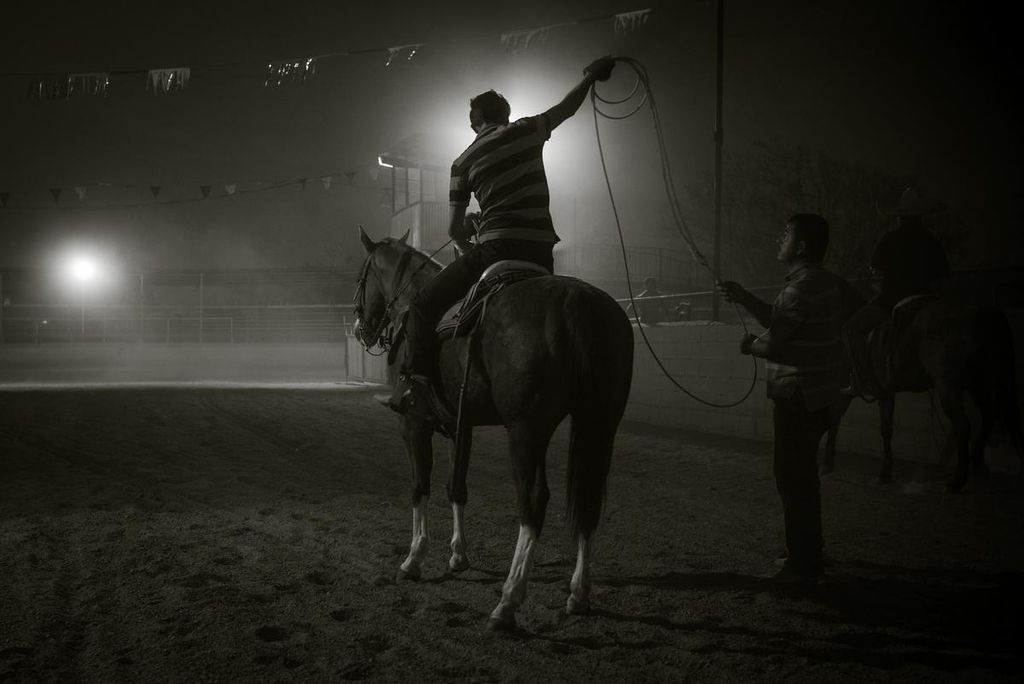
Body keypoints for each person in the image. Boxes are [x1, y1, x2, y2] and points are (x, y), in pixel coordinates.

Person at [393, 56, 618, 416]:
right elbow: (566, 107)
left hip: (494, 250)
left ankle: (417, 390)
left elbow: (453, 230)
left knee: (421, 305)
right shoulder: (527, 130)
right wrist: (591, 76)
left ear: (473, 122)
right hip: (542, 253)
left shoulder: (462, 162)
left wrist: (470, 239)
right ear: (506, 115)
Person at [718, 214, 863, 585]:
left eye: (787, 234)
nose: (780, 238)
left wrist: (752, 345)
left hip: (798, 395)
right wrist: (745, 297)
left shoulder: (802, 288)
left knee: (792, 477)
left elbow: (778, 340)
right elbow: (783, 320)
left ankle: (803, 562)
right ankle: (809, 550)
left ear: (800, 247)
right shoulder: (823, 284)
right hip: (819, 396)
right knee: (802, 476)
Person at [841, 187, 950, 397]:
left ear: (900, 217)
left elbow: (875, 266)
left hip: (893, 300)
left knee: (849, 330)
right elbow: (942, 277)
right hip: (929, 300)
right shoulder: (931, 240)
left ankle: (862, 381)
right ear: (920, 216)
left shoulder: (891, 238)